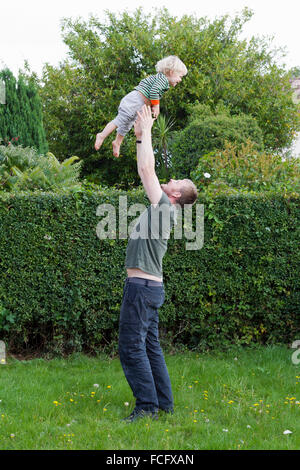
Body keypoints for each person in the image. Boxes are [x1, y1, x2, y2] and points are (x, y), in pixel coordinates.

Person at [119, 105, 198, 422]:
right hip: (150, 288)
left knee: (131, 348)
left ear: (176, 193)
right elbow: (145, 169)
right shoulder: (167, 209)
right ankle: (163, 405)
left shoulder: (165, 205)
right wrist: (140, 138)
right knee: (150, 347)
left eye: (176, 179)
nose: (171, 179)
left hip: (141, 289)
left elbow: (146, 172)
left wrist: (148, 130)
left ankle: (147, 407)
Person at [94, 55, 187, 157]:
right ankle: (102, 135)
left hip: (138, 103)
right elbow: (154, 91)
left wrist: (152, 106)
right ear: (171, 72)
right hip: (135, 101)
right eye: (180, 76)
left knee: (127, 124)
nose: (180, 80)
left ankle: (117, 142)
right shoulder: (163, 80)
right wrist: (156, 106)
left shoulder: (161, 79)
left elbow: (153, 93)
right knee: (120, 120)